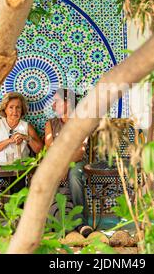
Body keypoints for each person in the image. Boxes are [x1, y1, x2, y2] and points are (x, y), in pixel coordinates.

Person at [44, 88, 93, 238]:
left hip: (77, 161)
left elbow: (80, 151)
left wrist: (65, 166)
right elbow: (50, 150)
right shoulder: (50, 124)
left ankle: (81, 223)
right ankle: (50, 221)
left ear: (68, 102)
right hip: (56, 163)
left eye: (57, 101)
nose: (53, 105)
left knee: (74, 175)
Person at [0, 92, 43, 163]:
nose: (15, 111)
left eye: (18, 107)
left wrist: (26, 138)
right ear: (5, 109)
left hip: (21, 167)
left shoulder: (26, 126)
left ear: (22, 110)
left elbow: (40, 149)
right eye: (11, 107)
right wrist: (10, 140)